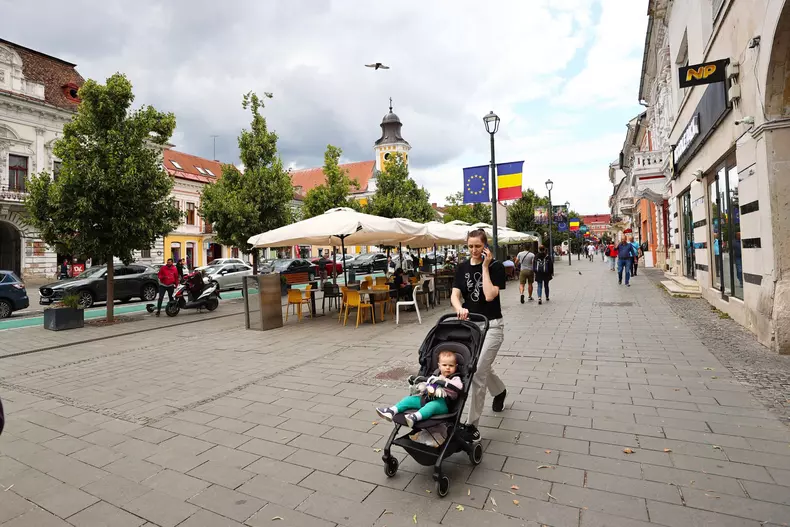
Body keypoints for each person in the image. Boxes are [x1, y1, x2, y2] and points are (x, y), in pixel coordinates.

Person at [451, 229, 507, 442]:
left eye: (477, 246)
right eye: (470, 246)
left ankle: (471, 425)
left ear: (485, 246)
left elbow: (489, 295)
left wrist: (484, 267)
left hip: (492, 326)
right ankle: (499, 391)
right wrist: (458, 307)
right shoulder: (462, 267)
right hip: (471, 327)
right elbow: (455, 294)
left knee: (477, 373)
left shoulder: (496, 267)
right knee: (480, 368)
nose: (474, 250)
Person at [375, 349, 464, 427]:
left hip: (442, 404)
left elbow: (458, 386)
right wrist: (422, 386)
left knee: (431, 406)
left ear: (455, 366)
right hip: (427, 398)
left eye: (451, 366)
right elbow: (427, 385)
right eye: (444, 365)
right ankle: (392, 411)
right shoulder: (435, 375)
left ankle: (415, 417)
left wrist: (444, 381)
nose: (447, 368)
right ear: (439, 366)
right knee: (409, 399)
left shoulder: (455, 378)